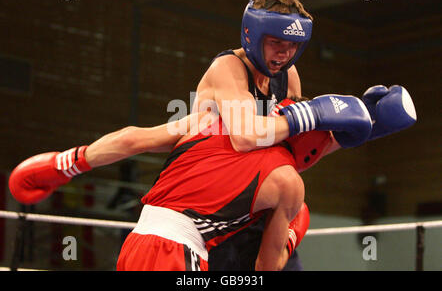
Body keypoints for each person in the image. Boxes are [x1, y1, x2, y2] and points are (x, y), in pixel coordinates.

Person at [8, 84, 416, 270]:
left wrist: (67, 162)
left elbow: (134, 139)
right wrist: (290, 233)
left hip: (136, 243)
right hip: (180, 254)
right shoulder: (289, 182)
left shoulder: (214, 121)